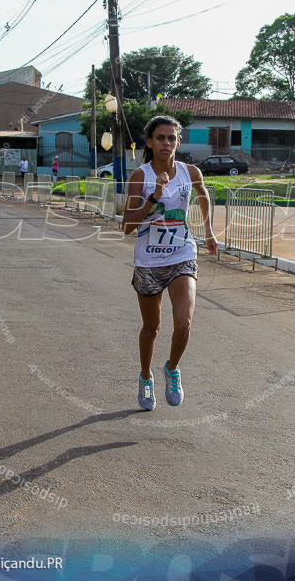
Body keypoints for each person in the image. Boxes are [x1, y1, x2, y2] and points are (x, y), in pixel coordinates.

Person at [123, 115, 218, 411]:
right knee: (151, 328)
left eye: (171, 138)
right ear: (149, 142)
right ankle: (146, 376)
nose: (166, 143)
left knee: (184, 323)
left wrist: (209, 232)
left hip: (182, 255)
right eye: (160, 138)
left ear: (178, 141)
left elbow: (203, 196)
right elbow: (127, 226)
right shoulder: (141, 176)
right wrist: (154, 198)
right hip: (149, 260)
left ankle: (172, 368)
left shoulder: (190, 172)